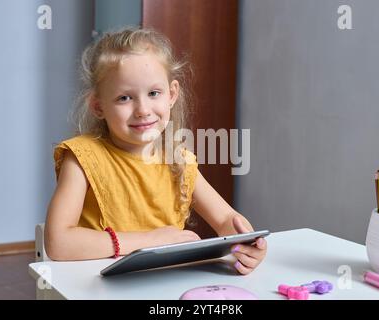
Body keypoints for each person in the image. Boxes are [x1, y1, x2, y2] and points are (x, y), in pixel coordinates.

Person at [45, 27, 267, 275]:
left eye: (153, 93)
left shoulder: (179, 160)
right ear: (98, 106)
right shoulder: (82, 158)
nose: (142, 109)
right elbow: (58, 243)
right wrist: (151, 241)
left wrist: (246, 244)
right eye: (124, 98)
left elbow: (226, 220)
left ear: (171, 95)